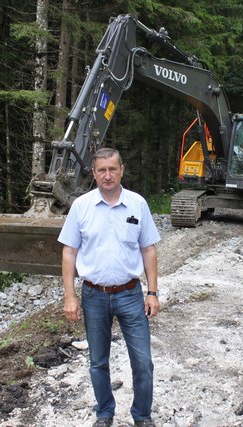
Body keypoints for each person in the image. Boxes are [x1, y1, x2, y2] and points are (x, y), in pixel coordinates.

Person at [58, 147, 160, 427]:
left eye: (112, 169)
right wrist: (70, 296)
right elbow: (69, 253)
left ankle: (142, 415)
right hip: (94, 296)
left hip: (130, 294)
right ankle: (104, 414)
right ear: (94, 173)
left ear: (121, 170)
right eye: (101, 170)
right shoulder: (81, 207)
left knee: (143, 362)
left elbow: (148, 249)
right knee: (98, 362)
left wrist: (152, 292)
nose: (107, 175)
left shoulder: (137, 204)